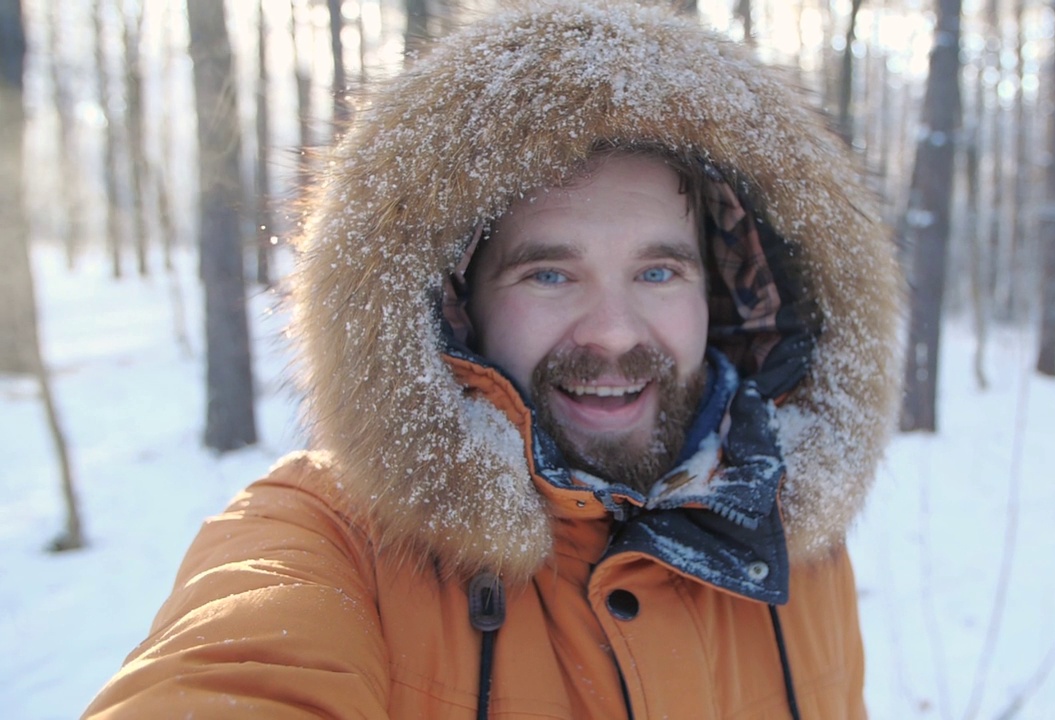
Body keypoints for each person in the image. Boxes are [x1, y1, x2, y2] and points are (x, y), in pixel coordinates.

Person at [84, 1, 901, 718]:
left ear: (720, 292)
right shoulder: (330, 538)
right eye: (549, 273)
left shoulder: (788, 539)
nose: (613, 334)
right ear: (457, 302)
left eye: (658, 271)